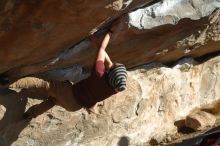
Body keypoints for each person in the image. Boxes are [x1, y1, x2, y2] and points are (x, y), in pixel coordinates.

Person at [1, 30, 128, 118]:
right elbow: (110, 65)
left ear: (111, 72)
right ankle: (30, 115)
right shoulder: (114, 88)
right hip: (74, 107)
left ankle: (7, 82)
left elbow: (102, 49)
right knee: (52, 101)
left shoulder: (99, 73)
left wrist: (110, 32)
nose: (114, 63)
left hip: (69, 94)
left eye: (115, 66)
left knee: (43, 84)